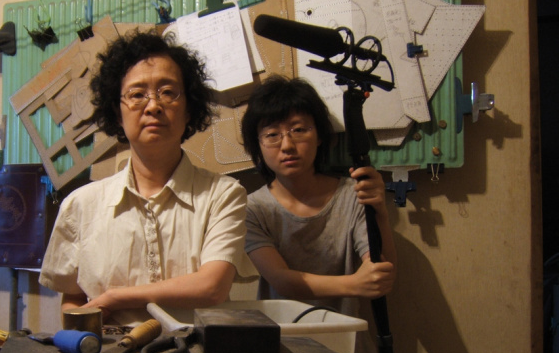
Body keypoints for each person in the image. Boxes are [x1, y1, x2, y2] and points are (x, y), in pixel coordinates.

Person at [39, 31, 257, 327]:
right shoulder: (80, 205)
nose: (153, 106)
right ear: (117, 113)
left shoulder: (223, 194)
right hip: (110, 352)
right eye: (137, 94)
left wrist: (115, 298)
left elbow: (212, 287)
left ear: (188, 109)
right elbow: (73, 298)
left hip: (199, 352)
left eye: (168, 92)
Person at [240, 75, 396, 318]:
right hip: (283, 338)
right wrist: (356, 284)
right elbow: (282, 280)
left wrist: (381, 213)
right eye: (272, 135)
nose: (287, 145)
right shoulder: (252, 209)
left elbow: (381, 271)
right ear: (257, 145)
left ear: (320, 136)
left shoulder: (353, 194)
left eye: (298, 130)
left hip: (346, 336)